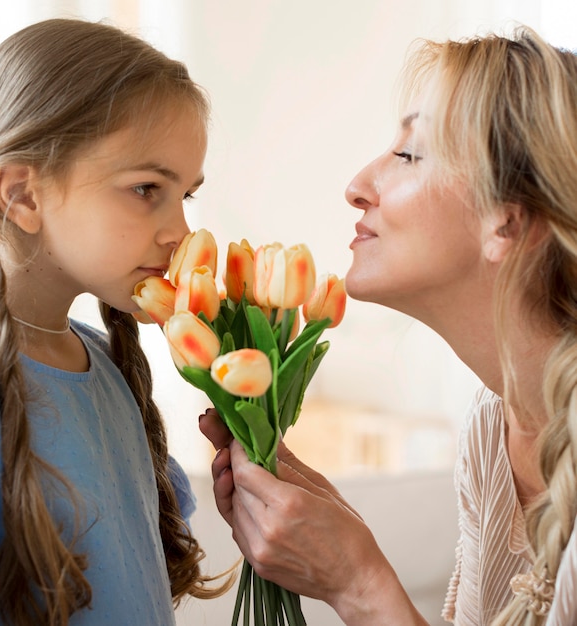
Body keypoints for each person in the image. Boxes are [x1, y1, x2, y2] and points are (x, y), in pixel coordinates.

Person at [199, 25, 577, 626]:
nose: (357, 187)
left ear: (505, 222)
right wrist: (335, 535)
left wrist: (357, 582)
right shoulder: (492, 430)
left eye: (408, 154)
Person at [0, 18, 231, 626]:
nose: (179, 232)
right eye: (145, 188)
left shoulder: (104, 361)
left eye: (185, 195)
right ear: (23, 195)